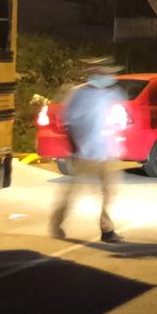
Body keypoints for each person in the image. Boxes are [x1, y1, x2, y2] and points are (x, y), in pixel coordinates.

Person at [49, 60, 127, 243]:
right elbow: (68, 123)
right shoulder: (79, 94)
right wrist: (74, 148)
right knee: (72, 192)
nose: (109, 77)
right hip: (84, 153)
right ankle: (56, 224)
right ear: (95, 74)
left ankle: (107, 231)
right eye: (105, 73)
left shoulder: (113, 93)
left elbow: (120, 114)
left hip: (106, 153)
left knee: (109, 191)